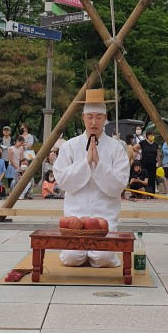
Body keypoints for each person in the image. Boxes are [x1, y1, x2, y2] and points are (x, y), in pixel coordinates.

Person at [53, 88, 130, 267]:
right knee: (72, 258)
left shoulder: (116, 147)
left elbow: (119, 184)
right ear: (83, 117)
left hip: (105, 218)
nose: (94, 122)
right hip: (75, 219)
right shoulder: (69, 146)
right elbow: (63, 180)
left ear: (105, 118)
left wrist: (99, 164)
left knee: (103, 259)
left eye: (99, 117)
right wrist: (86, 163)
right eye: (90, 117)